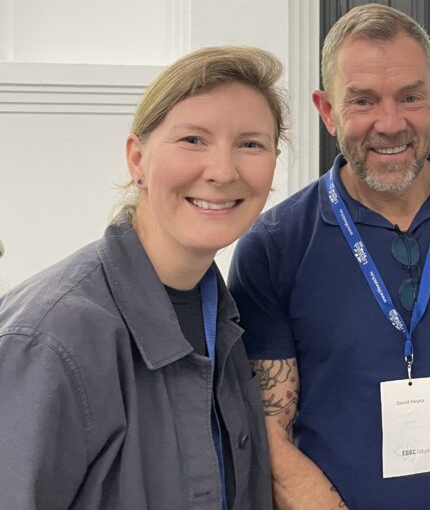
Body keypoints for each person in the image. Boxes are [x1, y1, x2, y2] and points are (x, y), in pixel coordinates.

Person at [228, 3, 430, 510]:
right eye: (362, 101)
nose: (390, 122)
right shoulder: (274, 245)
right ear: (327, 109)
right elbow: (269, 432)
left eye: (410, 97)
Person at [0, 46, 286, 509]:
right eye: (193, 139)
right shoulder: (50, 340)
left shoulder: (221, 317)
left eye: (250, 144)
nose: (222, 171)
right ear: (137, 160)